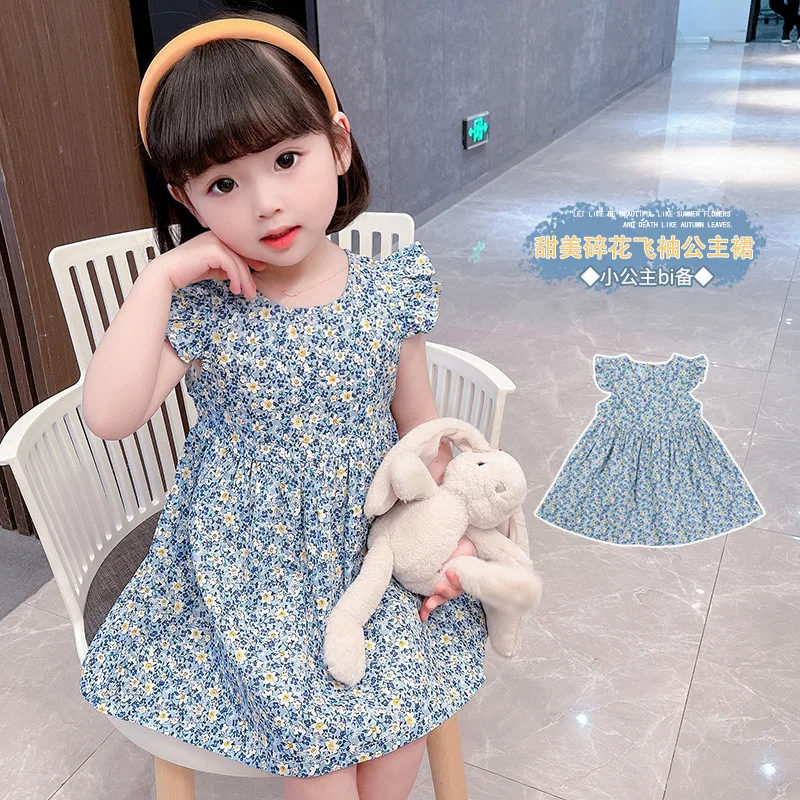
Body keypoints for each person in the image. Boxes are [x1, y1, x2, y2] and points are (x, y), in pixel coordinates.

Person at [78, 9, 488, 800]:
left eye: (287, 159)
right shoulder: (208, 306)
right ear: (187, 199)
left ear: (338, 145)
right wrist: (159, 278)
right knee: (319, 764)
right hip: (246, 566)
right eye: (223, 184)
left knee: (397, 731)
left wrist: (452, 529)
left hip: (364, 548)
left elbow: (423, 430)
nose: (264, 202)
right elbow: (109, 415)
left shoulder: (389, 291)